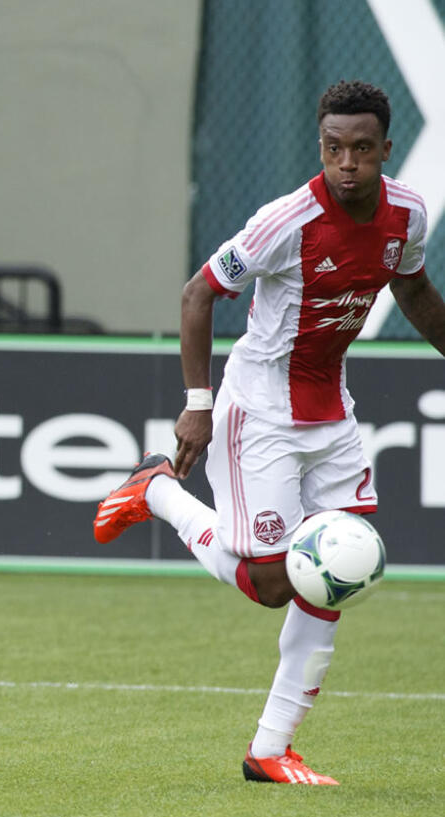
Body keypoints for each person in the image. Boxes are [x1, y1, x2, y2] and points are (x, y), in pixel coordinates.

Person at [92, 80, 445, 785]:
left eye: (362, 149)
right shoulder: (284, 221)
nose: (347, 163)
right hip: (259, 412)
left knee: (339, 573)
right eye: (334, 149)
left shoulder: (409, 214)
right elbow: (199, 294)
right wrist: (198, 403)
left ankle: (269, 749)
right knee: (270, 582)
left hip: (331, 412)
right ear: (322, 146)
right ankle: (158, 489)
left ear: (385, 149)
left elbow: (412, 291)